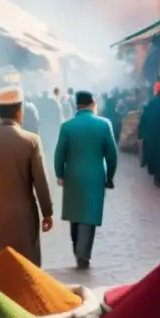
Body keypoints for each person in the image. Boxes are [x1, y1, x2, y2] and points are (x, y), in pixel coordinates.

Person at [0, 87, 54, 265]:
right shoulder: (31, 141)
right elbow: (41, 180)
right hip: (23, 215)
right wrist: (47, 212)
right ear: (18, 111)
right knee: (25, 266)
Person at [55, 90, 118, 269]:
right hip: (95, 177)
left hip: (73, 176)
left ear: (77, 105)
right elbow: (112, 155)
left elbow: (59, 154)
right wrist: (110, 177)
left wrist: (60, 174)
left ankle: (77, 249)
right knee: (89, 216)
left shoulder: (67, 126)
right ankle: (83, 255)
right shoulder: (104, 125)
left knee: (75, 214)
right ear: (92, 104)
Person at [35, 89, 64, 158]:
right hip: (52, 129)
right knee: (52, 149)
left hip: (43, 128)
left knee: (43, 149)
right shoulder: (54, 102)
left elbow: (37, 117)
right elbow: (59, 116)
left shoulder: (39, 102)